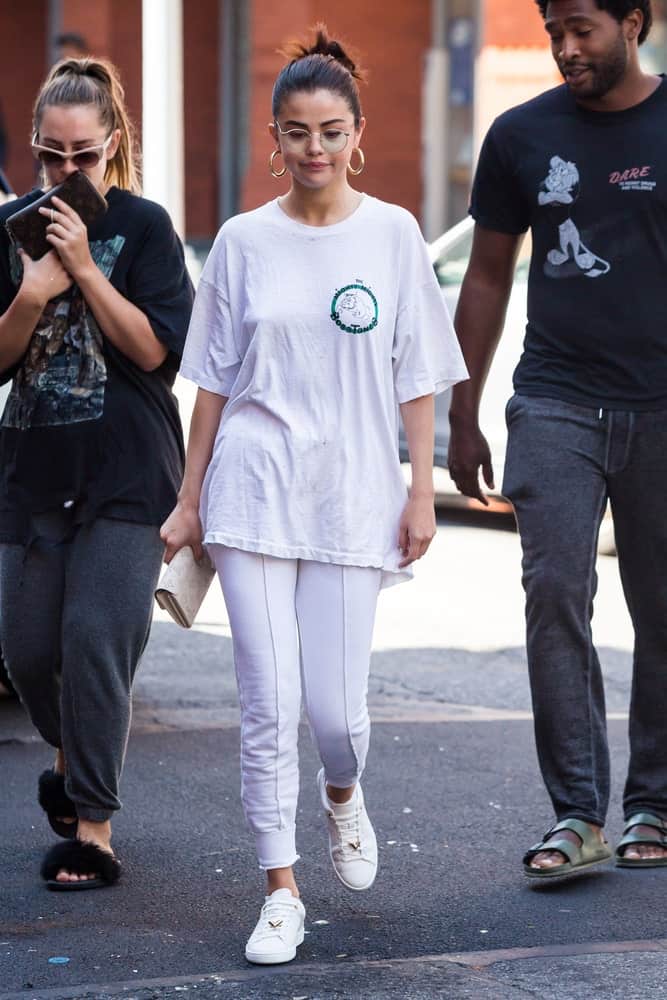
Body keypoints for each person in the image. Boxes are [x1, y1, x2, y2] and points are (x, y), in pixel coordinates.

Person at [161, 25, 467, 964]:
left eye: (330, 130)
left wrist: (421, 490)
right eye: (295, 132)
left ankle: (341, 794)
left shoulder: (393, 234)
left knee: (336, 716)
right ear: (274, 137)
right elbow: (212, 380)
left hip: (351, 494)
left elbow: (417, 373)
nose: (313, 149)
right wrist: (189, 498)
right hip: (253, 487)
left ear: (356, 133)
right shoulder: (245, 243)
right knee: (266, 699)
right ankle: (280, 888)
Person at [448, 0, 667, 879]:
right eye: (552, 33)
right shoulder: (518, 135)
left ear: (633, 22)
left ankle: (653, 799)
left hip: (661, 405)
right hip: (553, 402)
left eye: (581, 28)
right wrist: (462, 411)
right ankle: (577, 814)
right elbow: (487, 277)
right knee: (551, 594)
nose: (565, 48)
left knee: (659, 611)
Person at [0, 58, 193, 890]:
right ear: (37, 152)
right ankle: (73, 756)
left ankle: (94, 829)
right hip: (32, 466)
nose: (67, 174)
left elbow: (155, 350)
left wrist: (82, 268)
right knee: (28, 652)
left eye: (84, 156)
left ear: (111, 147)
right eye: (53, 156)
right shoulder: (12, 232)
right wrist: (32, 292)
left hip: (127, 468)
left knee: (94, 644)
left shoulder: (145, 227)